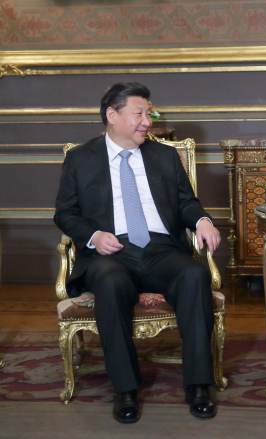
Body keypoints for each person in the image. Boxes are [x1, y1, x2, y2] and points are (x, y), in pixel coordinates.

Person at [54, 82, 221, 424]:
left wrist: (202, 220)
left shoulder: (164, 156)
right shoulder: (81, 159)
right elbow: (65, 213)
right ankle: (125, 389)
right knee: (110, 281)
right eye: (139, 114)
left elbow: (186, 203)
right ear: (112, 115)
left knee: (194, 274)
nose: (147, 121)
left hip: (161, 250)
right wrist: (94, 236)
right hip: (109, 253)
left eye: (149, 114)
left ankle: (199, 385)